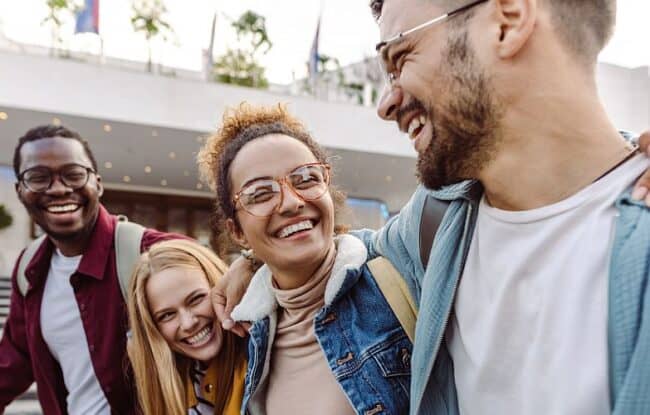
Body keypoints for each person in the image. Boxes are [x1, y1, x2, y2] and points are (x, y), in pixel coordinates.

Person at [355, 0, 650, 414]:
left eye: (401, 57)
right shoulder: (434, 224)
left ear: (507, 23)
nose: (387, 103)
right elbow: (330, 258)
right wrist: (249, 271)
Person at [197, 103, 413, 415]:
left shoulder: (393, 267)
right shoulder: (247, 334)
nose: (291, 202)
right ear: (237, 231)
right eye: (260, 194)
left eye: (306, 178)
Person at [0, 125, 181, 414]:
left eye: (73, 174)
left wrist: (244, 266)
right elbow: (13, 361)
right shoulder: (29, 268)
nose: (59, 189)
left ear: (97, 183)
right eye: (38, 178)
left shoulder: (149, 251)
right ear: (20, 190)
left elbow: (223, 287)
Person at [126, 239, 246, 415]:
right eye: (167, 315)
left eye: (196, 299)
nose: (188, 323)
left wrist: (250, 262)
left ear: (219, 285)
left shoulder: (261, 357)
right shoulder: (173, 382)